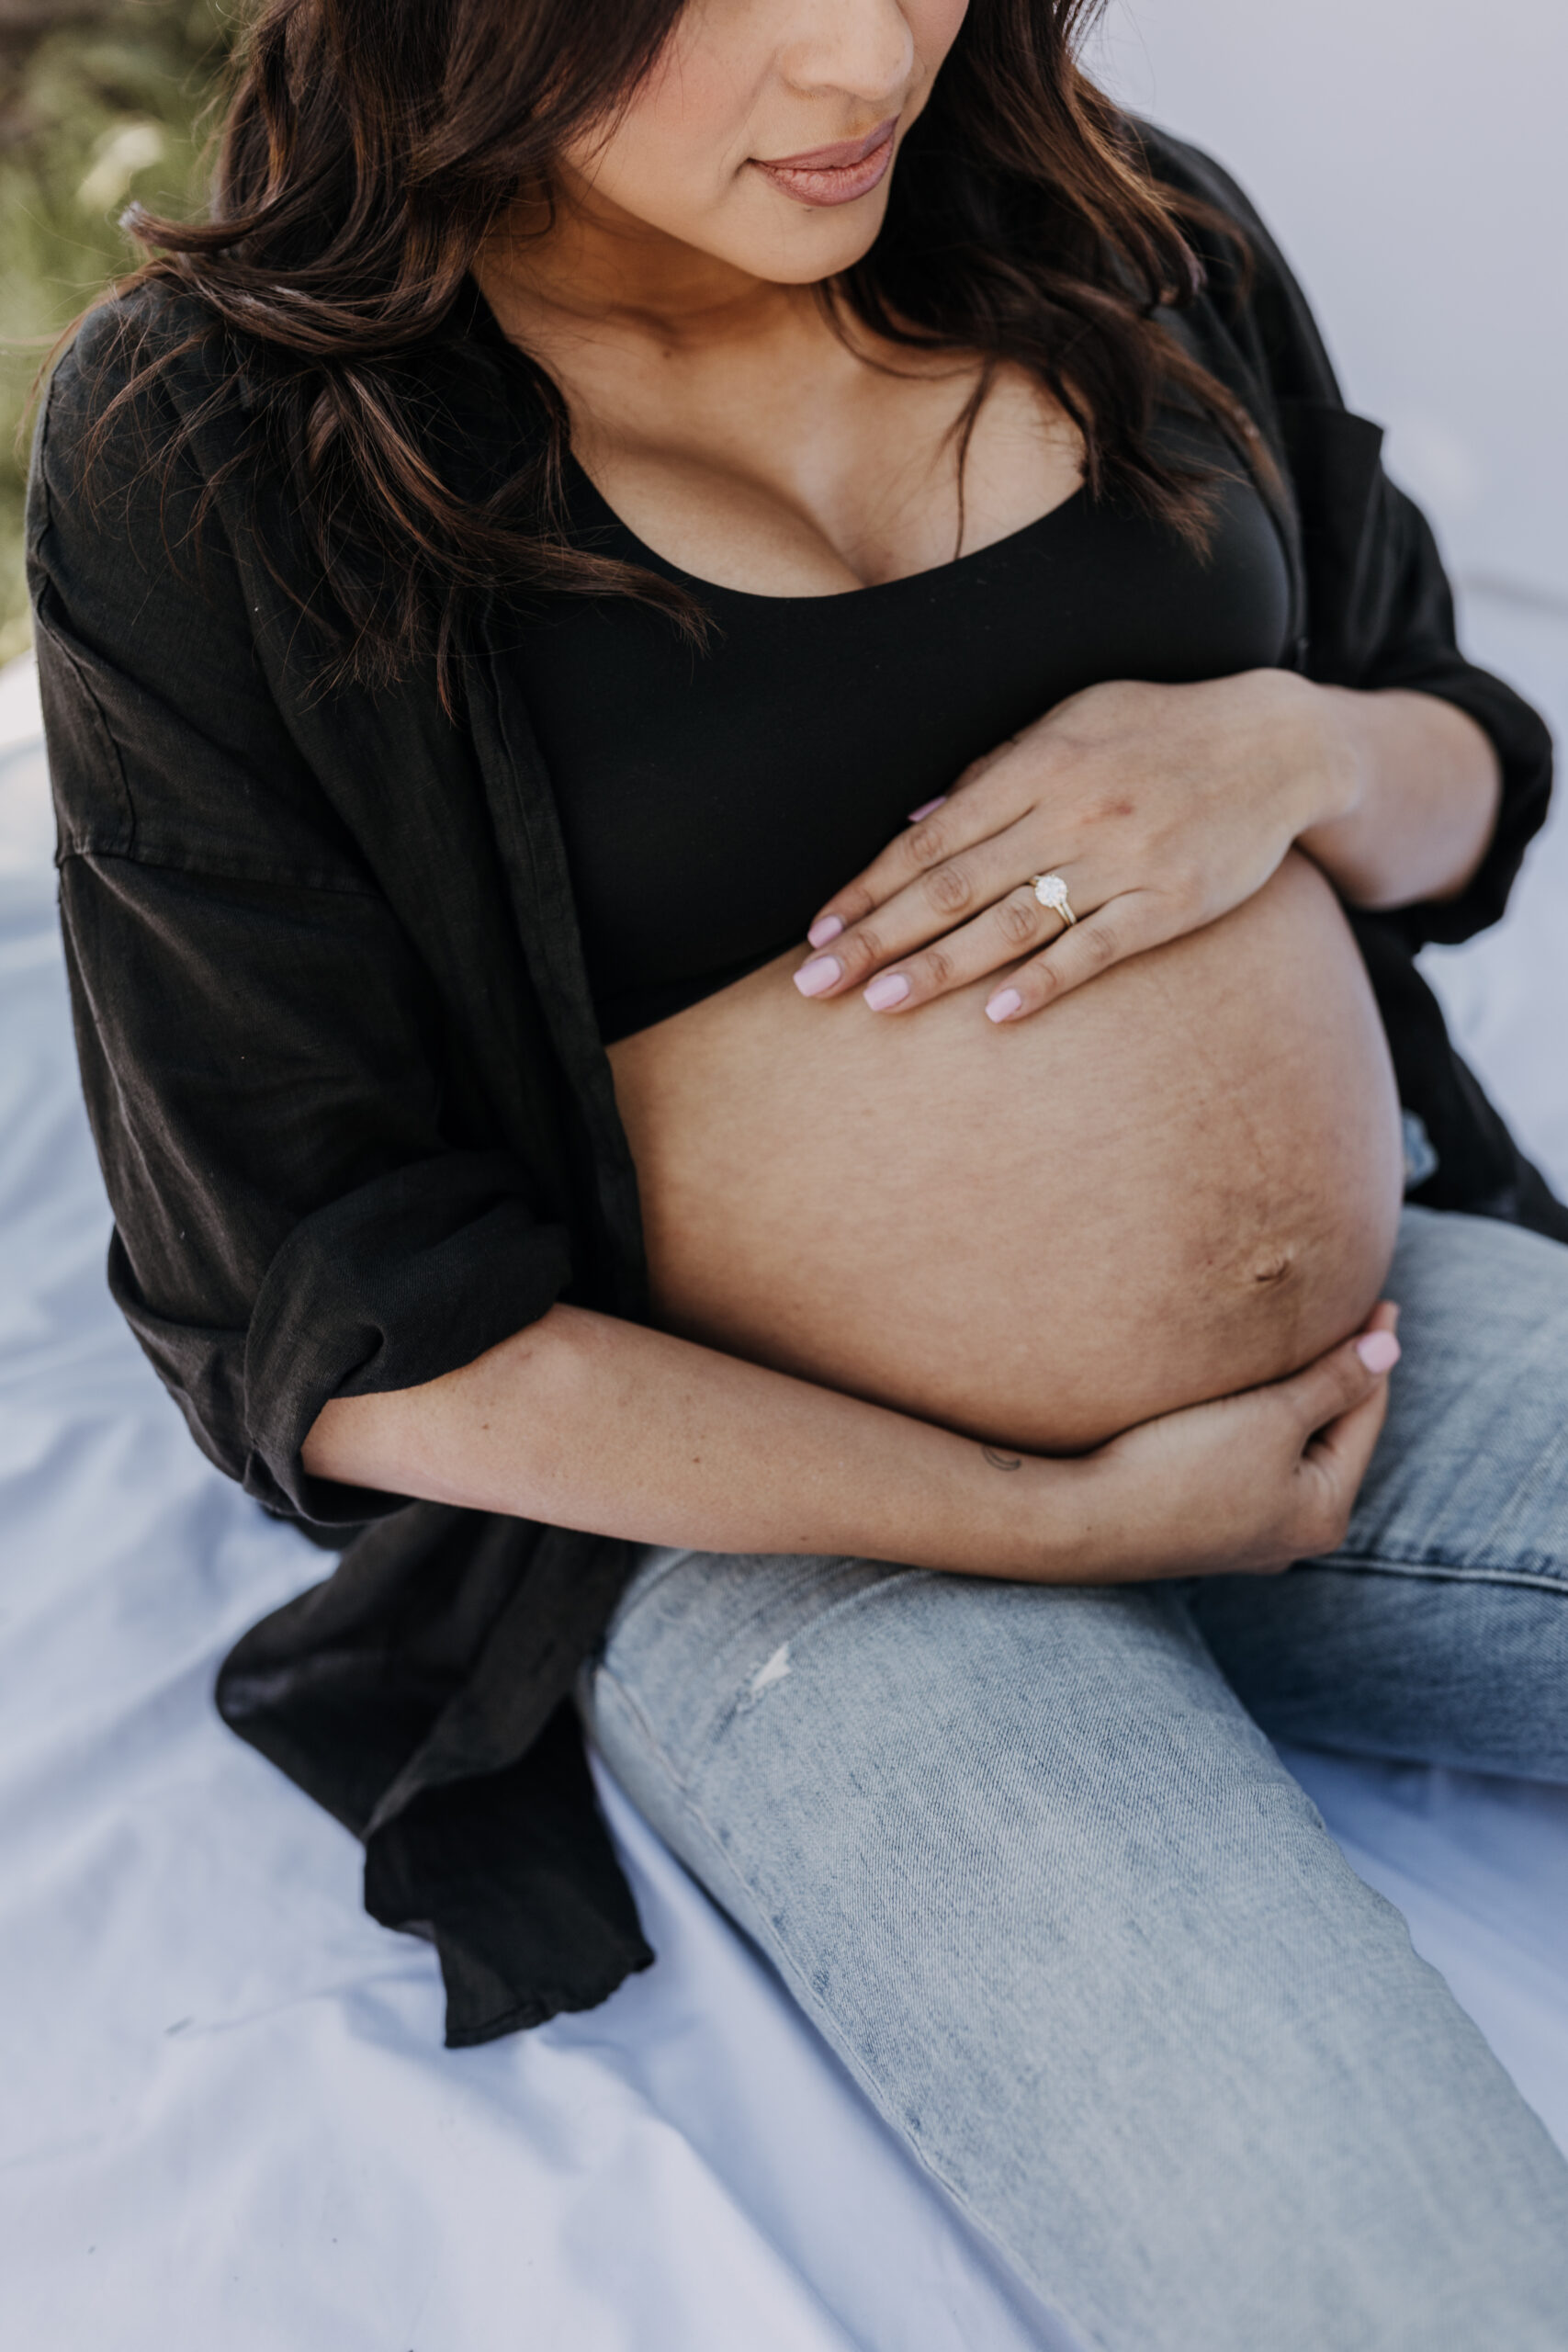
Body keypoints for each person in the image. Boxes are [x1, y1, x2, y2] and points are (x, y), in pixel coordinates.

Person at [28, 0, 1568, 2341]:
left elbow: (1452, 767)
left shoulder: (1111, 222)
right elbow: (327, 1317)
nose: (863, 58)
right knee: (1402, 2284)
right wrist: (1058, 1518)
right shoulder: (217, 442)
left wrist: (1283, 741)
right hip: (781, 1532)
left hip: (1360, 1362)